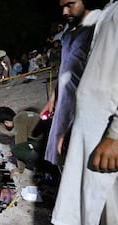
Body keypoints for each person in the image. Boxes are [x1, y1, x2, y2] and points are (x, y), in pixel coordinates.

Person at [51, 1, 118, 225]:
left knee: (107, 206)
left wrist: (116, 134)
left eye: (70, 3)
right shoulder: (110, 11)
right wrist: (71, 127)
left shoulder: (106, 16)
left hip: (107, 138)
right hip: (87, 129)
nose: (64, 11)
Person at [41, 0, 103, 167]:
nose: (65, 12)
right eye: (62, 7)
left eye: (71, 4)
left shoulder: (102, 29)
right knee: (63, 162)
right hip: (64, 108)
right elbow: (66, 67)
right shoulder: (70, 34)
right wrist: (54, 96)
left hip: (86, 112)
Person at [0, 106, 49, 173]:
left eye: (1, 124)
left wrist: (20, 169)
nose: (3, 126)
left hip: (47, 142)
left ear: (6, 122)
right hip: (47, 135)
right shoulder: (22, 115)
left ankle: (42, 168)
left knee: (14, 154)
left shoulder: (18, 122)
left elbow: (20, 145)